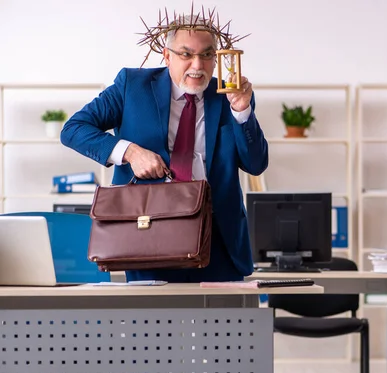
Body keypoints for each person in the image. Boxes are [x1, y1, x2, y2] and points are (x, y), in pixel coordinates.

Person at [60, 15, 268, 283]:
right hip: (148, 235)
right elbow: (74, 129)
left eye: (207, 55)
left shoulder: (230, 95)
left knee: (222, 324)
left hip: (219, 241)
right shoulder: (131, 86)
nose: (198, 65)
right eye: (186, 54)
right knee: (151, 324)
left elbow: (256, 164)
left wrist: (242, 112)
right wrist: (130, 152)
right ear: (167, 56)